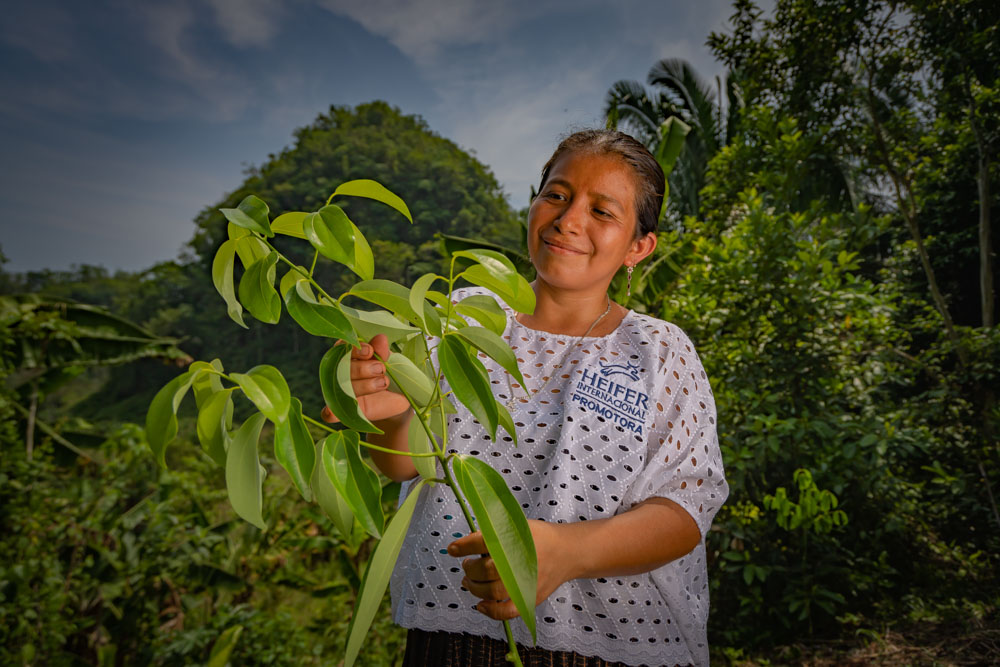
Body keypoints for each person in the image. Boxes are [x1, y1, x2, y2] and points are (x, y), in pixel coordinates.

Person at [322, 129, 728, 667]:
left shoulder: (658, 351)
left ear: (639, 246)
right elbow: (404, 462)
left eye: (602, 212)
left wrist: (567, 552)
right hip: (454, 633)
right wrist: (389, 409)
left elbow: (685, 507)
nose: (568, 220)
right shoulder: (462, 316)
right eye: (556, 195)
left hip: (612, 644)